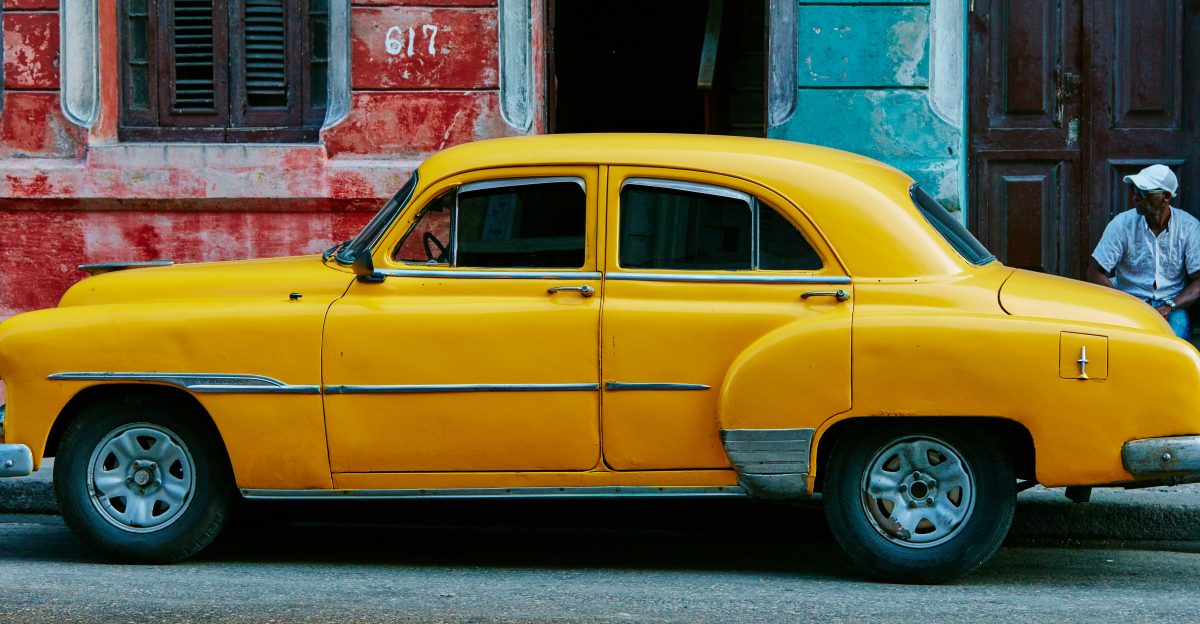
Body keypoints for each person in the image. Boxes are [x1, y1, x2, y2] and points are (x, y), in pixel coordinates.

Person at [1086, 164, 1200, 340]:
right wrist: (1126, 303)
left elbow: (1198, 282)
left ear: (1166, 197)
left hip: (1171, 303)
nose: (1136, 197)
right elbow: (1095, 272)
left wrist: (1170, 306)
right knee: (1125, 346)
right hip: (1129, 302)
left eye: (1144, 192)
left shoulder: (1189, 227)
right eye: (1134, 189)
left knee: (1173, 344)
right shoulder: (1121, 224)